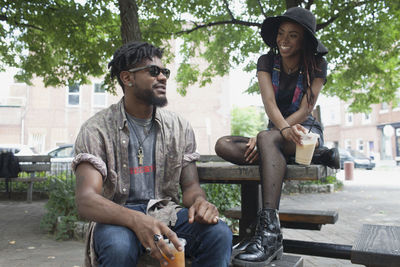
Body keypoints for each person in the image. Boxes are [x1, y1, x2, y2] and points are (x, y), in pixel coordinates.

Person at [73, 41, 232, 267]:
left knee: (219, 234)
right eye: (154, 71)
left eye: (164, 71)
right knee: (119, 247)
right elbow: (86, 200)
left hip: (166, 213)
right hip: (116, 218)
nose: (163, 77)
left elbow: (190, 187)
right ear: (127, 78)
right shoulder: (96, 129)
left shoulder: (179, 126)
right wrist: (137, 220)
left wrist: (199, 202)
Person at [215, 7, 339, 266]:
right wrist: (275, 132)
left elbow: (307, 107)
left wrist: (273, 134)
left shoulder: (317, 65)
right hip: (277, 133)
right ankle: (318, 155)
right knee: (223, 145)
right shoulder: (266, 61)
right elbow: (269, 103)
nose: (284, 40)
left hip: (304, 130)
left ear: (304, 39)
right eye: (281, 33)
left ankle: (270, 233)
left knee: (269, 140)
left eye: (292, 35)